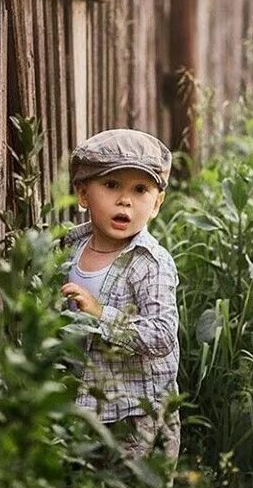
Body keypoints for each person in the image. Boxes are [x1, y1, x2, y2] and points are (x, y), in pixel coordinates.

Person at [61, 128, 180, 462]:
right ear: (83, 193)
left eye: (140, 190)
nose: (125, 200)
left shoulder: (150, 264)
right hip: (81, 409)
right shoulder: (68, 250)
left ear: (156, 203)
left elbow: (162, 335)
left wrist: (101, 314)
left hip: (135, 419)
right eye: (111, 185)